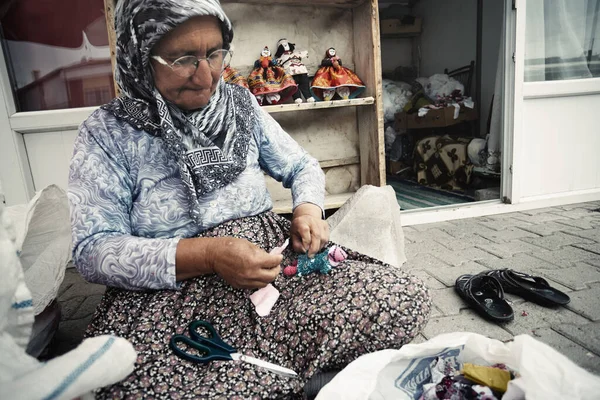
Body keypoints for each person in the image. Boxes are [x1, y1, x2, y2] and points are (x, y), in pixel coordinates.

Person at [68, 0, 431, 398]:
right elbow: (93, 249)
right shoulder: (107, 132)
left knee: (402, 298)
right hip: (172, 292)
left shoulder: (240, 105)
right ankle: (307, 381)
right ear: (141, 56)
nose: (206, 75)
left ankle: (274, 380)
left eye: (214, 53)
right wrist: (208, 255)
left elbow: (302, 166)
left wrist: (308, 209)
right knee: (137, 387)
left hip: (272, 263)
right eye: (184, 58)